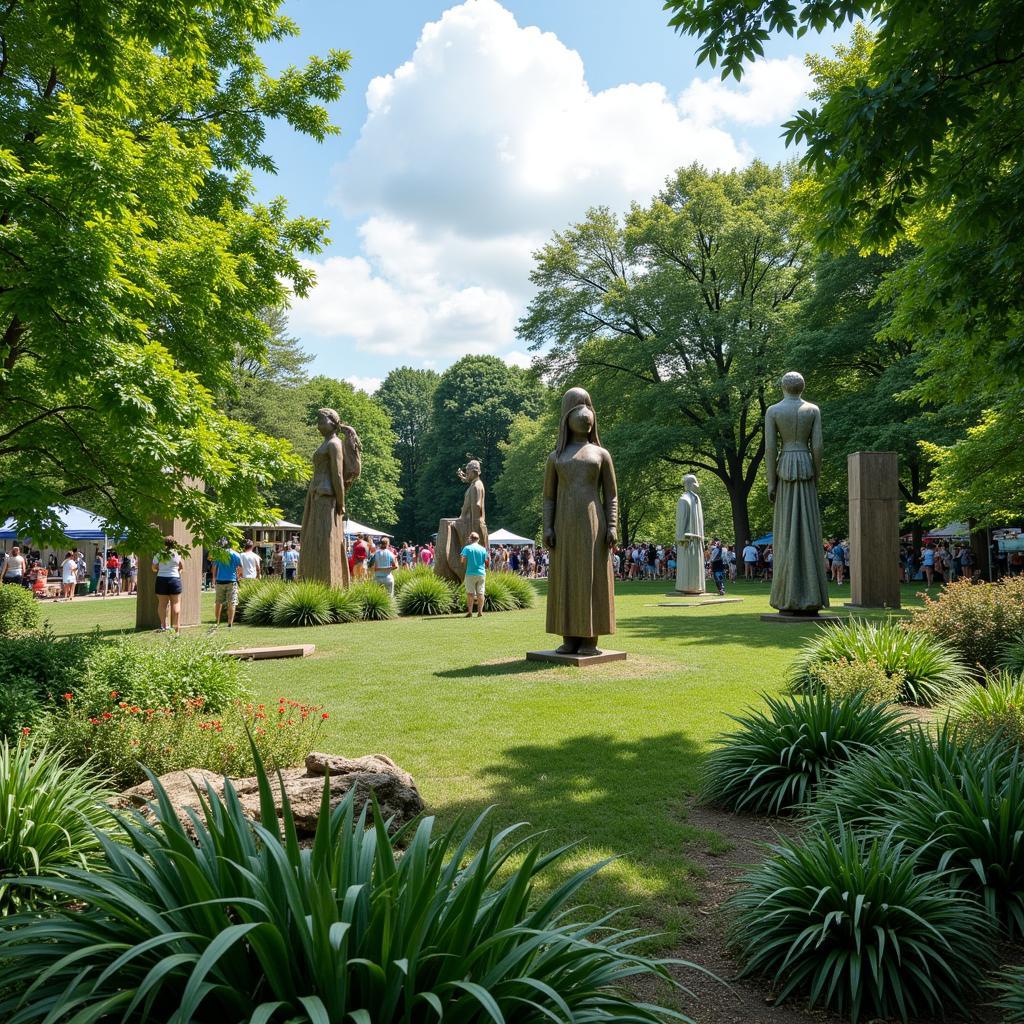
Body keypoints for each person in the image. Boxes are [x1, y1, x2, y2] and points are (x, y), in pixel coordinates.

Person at [152, 536, 184, 633]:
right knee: (176, 603)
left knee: (162, 604)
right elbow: (182, 567)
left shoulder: (159, 554)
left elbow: (153, 568)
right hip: (174, 579)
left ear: (164, 544)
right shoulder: (177, 553)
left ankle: (164, 625)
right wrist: (178, 573)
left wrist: (159, 569)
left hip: (161, 579)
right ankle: (176, 627)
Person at [212, 540, 243, 626]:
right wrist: (239, 576)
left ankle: (217, 621)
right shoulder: (236, 554)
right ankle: (230, 623)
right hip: (231, 581)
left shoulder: (219, 554)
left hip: (220, 580)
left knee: (218, 601)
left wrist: (214, 577)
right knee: (232, 602)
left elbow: (214, 566)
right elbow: (240, 566)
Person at [460, 530, 489, 617]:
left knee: (470, 593)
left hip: (470, 573)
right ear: (478, 539)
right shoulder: (483, 549)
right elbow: (487, 561)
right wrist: (485, 567)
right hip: (481, 573)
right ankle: (480, 612)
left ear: (470, 539)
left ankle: (470, 612)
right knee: (481, 593)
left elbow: (462, 560)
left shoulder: (467, 548)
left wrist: (465, 562)